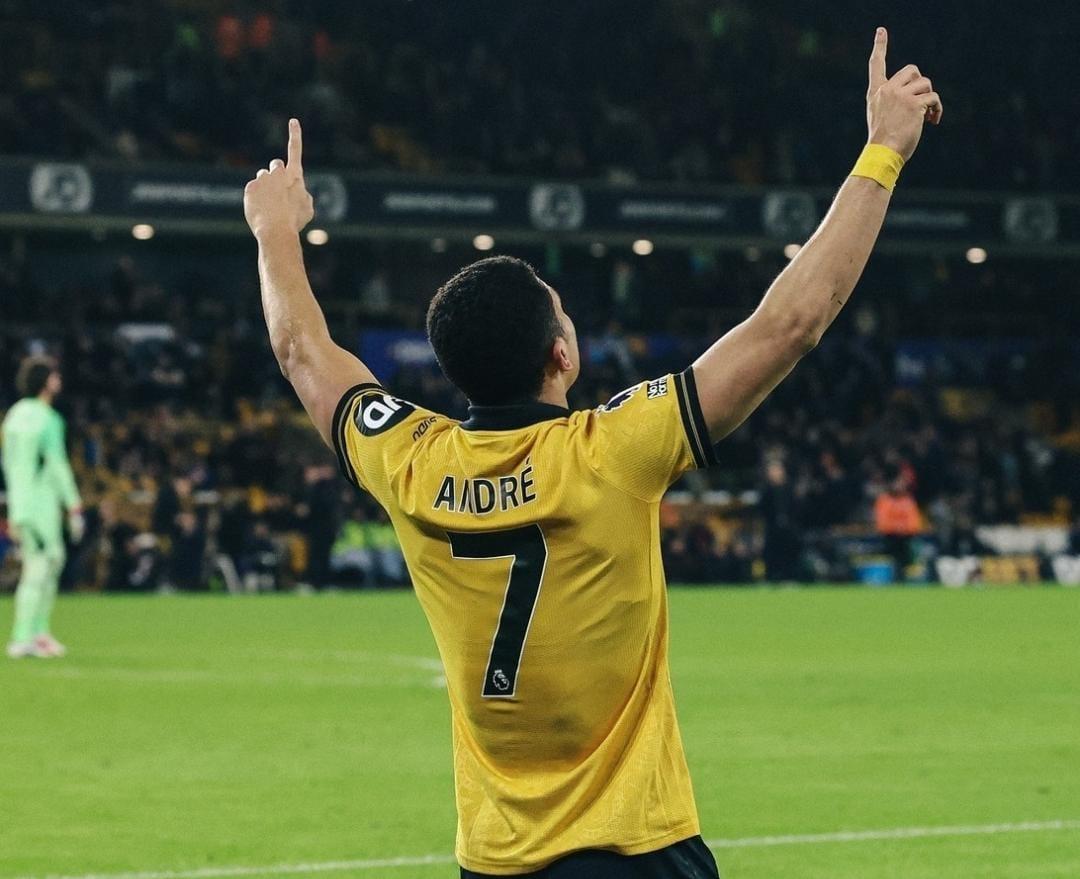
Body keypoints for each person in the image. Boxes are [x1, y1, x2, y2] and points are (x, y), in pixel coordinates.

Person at [243, 28, 940, 879]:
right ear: (562, 355)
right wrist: (882, 150)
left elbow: (302, 350)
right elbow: (791, 323)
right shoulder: (614, 449)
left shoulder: (410, 460)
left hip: (497, 860)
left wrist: (274, 230)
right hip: (634, 847)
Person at [4, 356, 85, 658]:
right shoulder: (48, 419)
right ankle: (23, 637)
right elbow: (57, 464)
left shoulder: (13, 416)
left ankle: (38, 633)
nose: (58, 380)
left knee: (51, 562)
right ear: (44, 381)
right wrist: (74, 505)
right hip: (41, 505)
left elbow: (9, 464)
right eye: (54, 375)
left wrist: (15, 506)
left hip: (21, 503)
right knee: (39, 569)